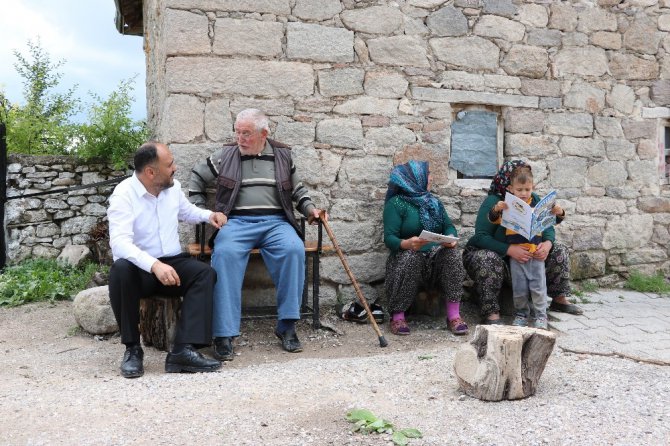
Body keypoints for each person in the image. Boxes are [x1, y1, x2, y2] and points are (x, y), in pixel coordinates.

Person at [188, 108, 325, 360]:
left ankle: (287, 326)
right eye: (238, 132)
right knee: (225, 254)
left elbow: (298, 191)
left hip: (276, 222)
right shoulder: (225, 155)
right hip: (237, 222)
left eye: (246, 133)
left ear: (264, 133)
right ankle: (224, 333)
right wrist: (202, 212)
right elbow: (196, 177)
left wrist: (310, 210)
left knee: (293, 250)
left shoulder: (283, 155)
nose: (240, 138)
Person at [107, 141, 227, 378]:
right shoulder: (123, 194)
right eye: (170, 164)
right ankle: (132, 349)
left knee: (205, 273)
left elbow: (186, 212)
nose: (175, 167)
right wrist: (153, 265)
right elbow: (119, 243)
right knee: (120, 270)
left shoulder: (173, 188)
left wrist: (209, 215)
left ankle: (183, 350)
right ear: (151, 172)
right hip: (140, 270)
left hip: (171, 263)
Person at [464, 159, 582, 325]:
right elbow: (480, 236)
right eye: (519, 184)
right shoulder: (496, 202)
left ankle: (559, 299)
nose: (524, 190)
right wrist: (509, 249)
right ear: (508, 183)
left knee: (559, 250)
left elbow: (547, 225)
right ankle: (491, 312)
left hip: (530, 255)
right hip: (502, 259)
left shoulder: (532, 198)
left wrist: (547, 244)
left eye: (527, 185)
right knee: (486, 258)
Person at [382, 160, 468, 336]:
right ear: (416, 178)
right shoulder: (396, 204)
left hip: (434, 258)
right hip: (406, 259)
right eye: (428, 175)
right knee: (411, 257)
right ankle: (398, 317)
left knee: (452, 254)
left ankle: (454, 316)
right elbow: (389, 238)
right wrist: (406, 243)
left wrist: (450, 238)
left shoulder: (434, 203)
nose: (431, 178)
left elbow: (448, 226)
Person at [487, 164, 565, 329]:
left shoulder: (538, 206)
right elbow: (493, 219)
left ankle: (541, 316)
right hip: (517, 255)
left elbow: (553, 222)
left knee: (538, 286)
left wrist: (559, 212)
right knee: (520, 287)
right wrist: (496, 208)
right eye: (519, 189)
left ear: (533, 187)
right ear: (511, 189)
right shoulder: (507, 206)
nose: (523, 193)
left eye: (527, 189)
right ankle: (521, 314)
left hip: (535, 253)